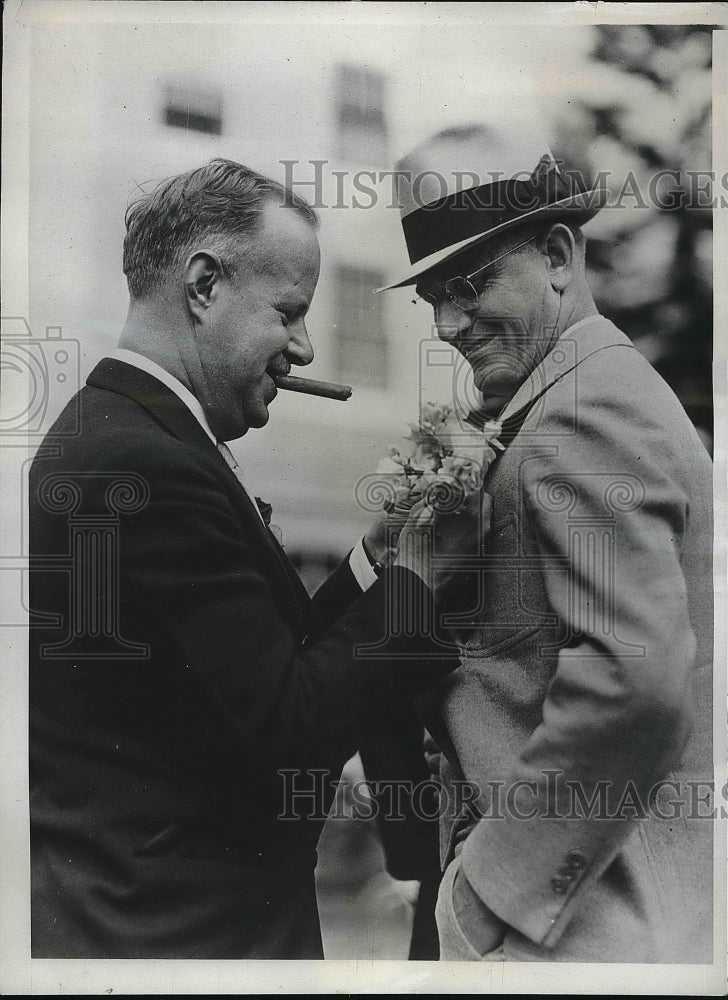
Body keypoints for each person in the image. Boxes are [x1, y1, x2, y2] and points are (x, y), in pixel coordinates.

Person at [28, 158, 477, 959]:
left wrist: (376, 561)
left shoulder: (121, 435)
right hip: (186, 939)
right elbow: (291, 726)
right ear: (204, 285)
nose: (304, 348)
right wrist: (422, 578)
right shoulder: (146, 463)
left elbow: (254, 668)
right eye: (290, 312)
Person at [376, 124, 714, 962]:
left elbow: (631, 687)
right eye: (432, 300)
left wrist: (487, 893)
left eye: (469, 284)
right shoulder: (572, 400)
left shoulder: (584, 411)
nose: (448, 324)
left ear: (559, 255)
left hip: (584, 925)